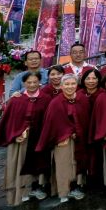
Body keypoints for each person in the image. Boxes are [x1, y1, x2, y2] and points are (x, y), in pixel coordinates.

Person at [0, 72, 51, 204]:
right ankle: (23, 189)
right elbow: (8, 121)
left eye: (35, 82)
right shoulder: (16, 100)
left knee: (38, 162)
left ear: (40, 83)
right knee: (20, 163)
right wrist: (15, 134)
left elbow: (49, 119)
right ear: (24, 84)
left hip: (38, 137)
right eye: (29, 82)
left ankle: (37, 187)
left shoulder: (46, 98)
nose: (32, 85)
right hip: (21, 138)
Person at [36, 74, 90, 202]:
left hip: (79, 139)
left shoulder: (82, 99)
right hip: (62, 140)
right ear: (61, 86)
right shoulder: (55, 103)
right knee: (63, 165)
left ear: (77, 85)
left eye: (73, 84)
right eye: (66, 84)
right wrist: (66, 133)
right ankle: (63, 192)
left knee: (77, 163)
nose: (70, 87)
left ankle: (76, 187)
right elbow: (52, 123)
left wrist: (79, 131)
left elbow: (85, 119)